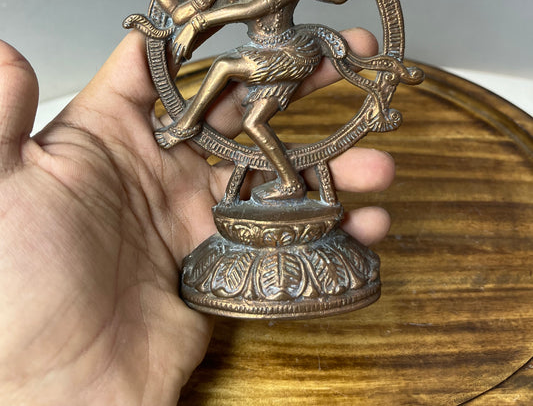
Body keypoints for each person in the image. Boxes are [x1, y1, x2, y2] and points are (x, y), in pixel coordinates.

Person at [0, 26, 394, 404]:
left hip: (288, 53)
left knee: (226, 72)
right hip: (266, 53)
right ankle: (282, 175)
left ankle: (196, 127)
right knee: (251, 119)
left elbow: (260, 5)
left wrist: (203, 20)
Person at [155, 0, 397, 201]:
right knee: (252, 123)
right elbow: (178, 16)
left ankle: (186, 124)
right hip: (263, 52)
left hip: (293, 51)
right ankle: (291, 182)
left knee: (223, 66)